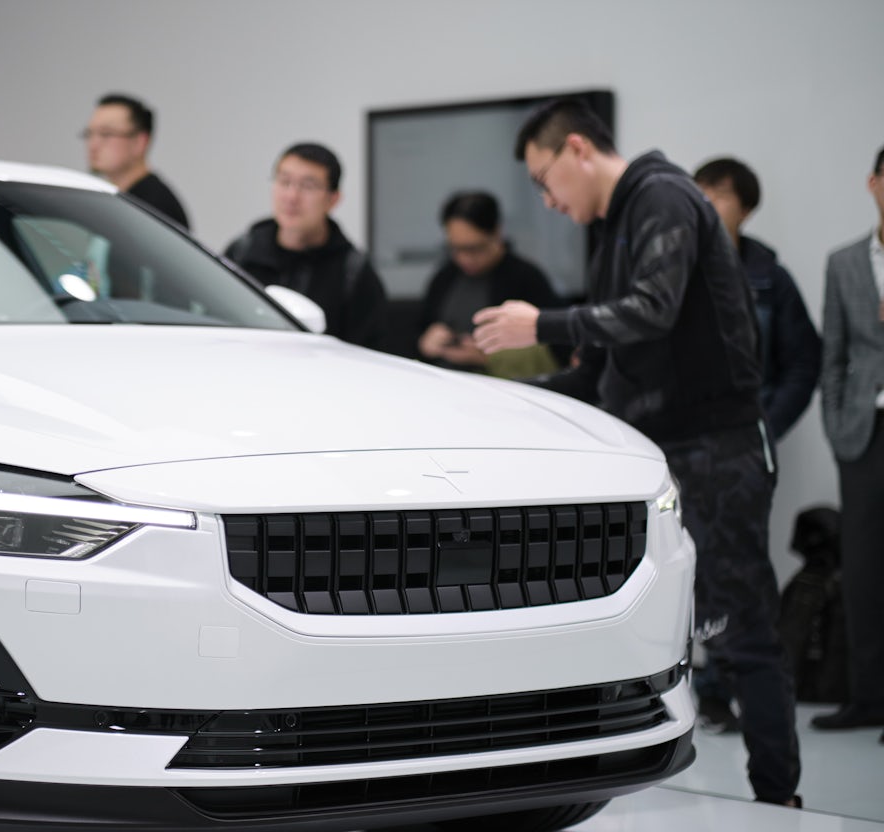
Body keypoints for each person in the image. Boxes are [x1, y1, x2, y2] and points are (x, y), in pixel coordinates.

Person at [472, 98, 801, 806]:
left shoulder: (660, 197)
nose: (547, 200)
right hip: (657, 458)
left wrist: (541, 322)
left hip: (718, 452)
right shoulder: (616, 225)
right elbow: (601, 367)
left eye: (543, 178)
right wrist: (497, 398)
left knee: (740, 633)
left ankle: (779, 804)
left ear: (579, 150)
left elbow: (654, 307)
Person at [690, 157, 823, 733]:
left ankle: (745, 690)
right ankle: (702, 686)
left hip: (745, 449)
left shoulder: (771, 278)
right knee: (689, 566)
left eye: (720, 196)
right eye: (702, 194)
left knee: (741, 567)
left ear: (745, 206)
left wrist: (766, 424)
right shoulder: (679, 267)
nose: (709, 205)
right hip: (684, 445)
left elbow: (803, 362)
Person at [813, 143, 884, 741]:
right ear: (872, 183)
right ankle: (867, 696)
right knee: (861, 568)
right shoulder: (844, 262)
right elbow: (831, 355)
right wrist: (836, 426)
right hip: (863, 432)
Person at [224, 142, 387, 349]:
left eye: (308, 186)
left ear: (333, 199)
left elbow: (370, 352)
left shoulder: (353, 272)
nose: (292, 197)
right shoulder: (242, 253)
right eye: (284, 182)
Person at [417, 190, 565, 379]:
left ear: (496, 232)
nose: (464, 259)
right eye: (455, 249)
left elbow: (556, 352)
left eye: (474, 249)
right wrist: (426, 342)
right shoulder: (445, 277)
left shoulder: (526, 278)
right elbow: (420, 331)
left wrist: (487, 358)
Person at [82, 93, 190, 230]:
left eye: (106, 134)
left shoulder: (155, 208)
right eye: (89, 133)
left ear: (140, 142)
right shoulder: (117, 201)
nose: (93, 145)